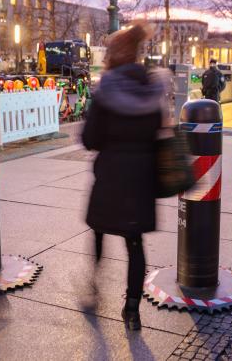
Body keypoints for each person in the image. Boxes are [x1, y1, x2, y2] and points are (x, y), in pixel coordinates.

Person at [81, 22, 165, 331]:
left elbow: (90, 139)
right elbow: (158, 130)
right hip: (142, 178)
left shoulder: (105, 91)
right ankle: (132, 309)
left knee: (98, 230)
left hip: (111, 175)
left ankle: (94, 286)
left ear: (113, 56)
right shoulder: (151, 88)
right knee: (135, 243)